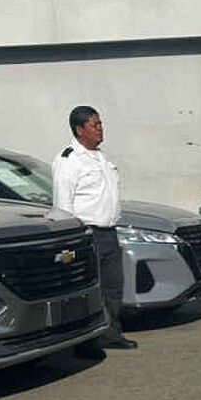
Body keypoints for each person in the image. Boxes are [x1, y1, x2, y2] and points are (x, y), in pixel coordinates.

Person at [52, 106, 137, 350]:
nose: (100, 129)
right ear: (80, 130)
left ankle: (110, 334)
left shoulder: (101, 158)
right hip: (87, 234)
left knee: (113, 287)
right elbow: (63, 205)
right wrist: (71, 239)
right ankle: (85, 343)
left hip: (108, 232)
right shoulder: (69, 160)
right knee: (89, 291)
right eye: (94, 125)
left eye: (100, 124)